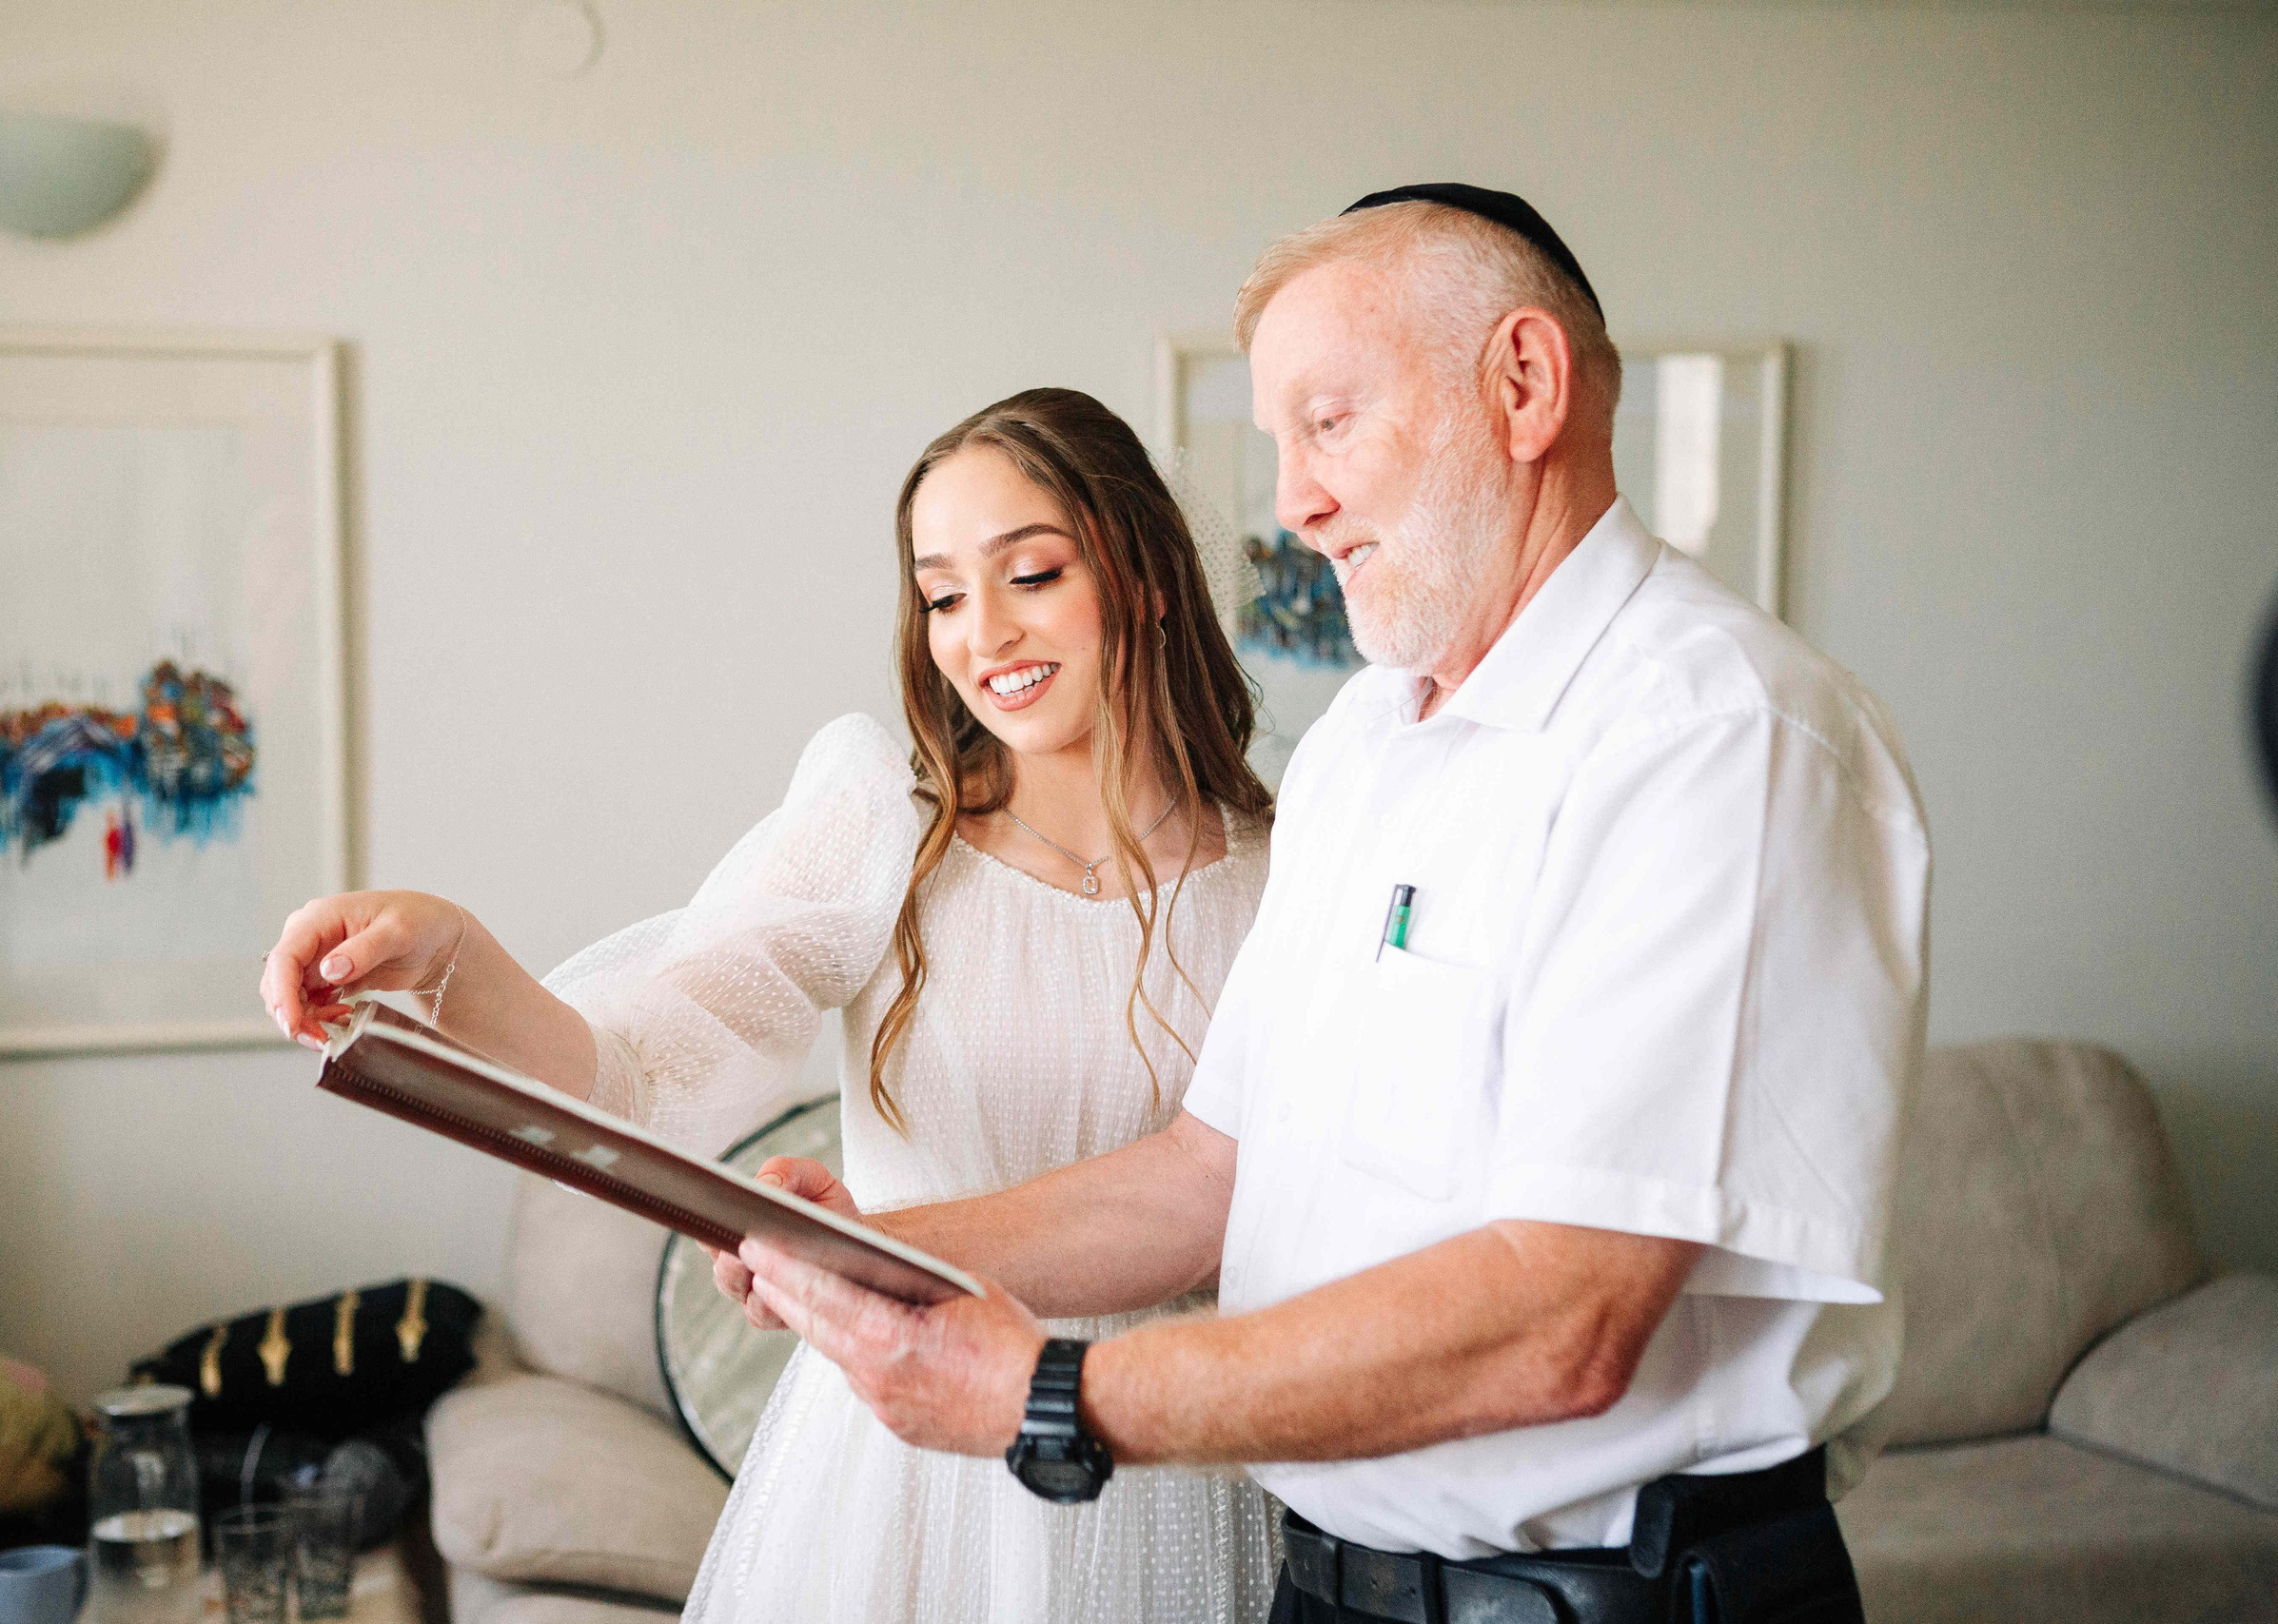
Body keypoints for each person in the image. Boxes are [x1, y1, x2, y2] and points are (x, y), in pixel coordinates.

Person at [722, 187, 1931, 1624]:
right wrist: (879, 1253)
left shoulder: (1713, 736)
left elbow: (1566, 1318)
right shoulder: (1365, 748)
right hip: (1333, 1591)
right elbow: (1206, 1172)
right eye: (1282, 442)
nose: (1293, 501)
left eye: (1331, 423)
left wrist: (1054, 1394)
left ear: (1523, 387)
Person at [259, 387, 1284, 1622]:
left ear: (1151, 576)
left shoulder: (1289, 873)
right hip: (907, 1457)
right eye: (944, 594)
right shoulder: (884, 832)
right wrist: (454, 960)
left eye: (1034, 573)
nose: (985, 634)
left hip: (1173, 1437)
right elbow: (643, 1066)